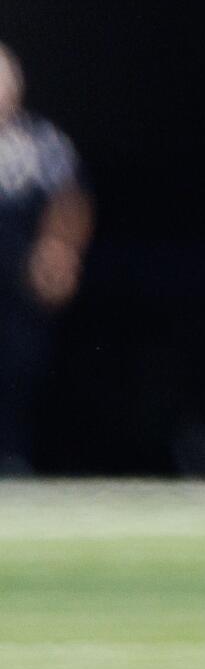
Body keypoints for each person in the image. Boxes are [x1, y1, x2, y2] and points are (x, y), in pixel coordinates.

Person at [0, 43, 89, 476]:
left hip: (17, 276)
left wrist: (59, 251)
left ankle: (14, 459)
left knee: (19, 366)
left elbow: (68, 199)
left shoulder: (40, 142)